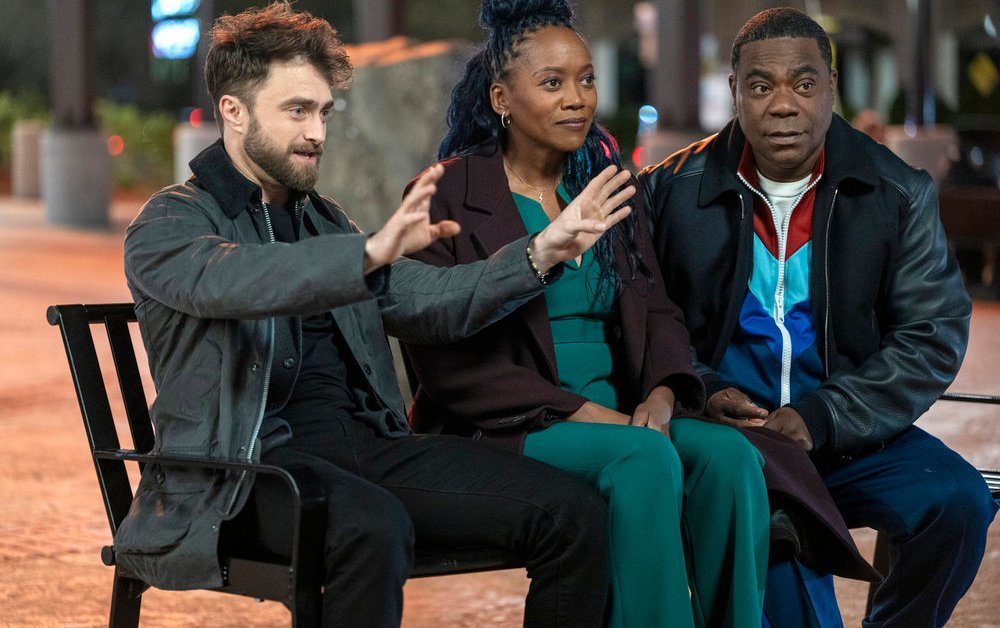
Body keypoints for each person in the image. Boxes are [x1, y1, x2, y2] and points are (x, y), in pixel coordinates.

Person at [115, 3, 643, 626]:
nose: (317, 132)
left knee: (572, 513)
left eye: (323, 112)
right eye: (297, 111)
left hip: (367, 452)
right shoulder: (170, 221)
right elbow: (235, 279)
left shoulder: (325, 220)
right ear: (234, 111)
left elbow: (426, 299)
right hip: (242, 474)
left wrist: (538, 253)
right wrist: (363, 255)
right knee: (374, 525)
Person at [402, 2, 771, 626]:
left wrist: (661, 394)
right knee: (643, 459)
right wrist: (589, 414)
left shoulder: (604, 181)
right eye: (552, 83)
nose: (577, 99)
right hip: (507, 427)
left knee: (729, 460)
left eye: (587, 79)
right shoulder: (446, 194)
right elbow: (444, 361)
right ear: (501, 99)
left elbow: (657, 307)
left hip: (623, 412)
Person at [641, 7, 998, 627]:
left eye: (804, 84)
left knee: (959, 501)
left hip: (847, 434)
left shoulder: (895, 191)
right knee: (791, 578)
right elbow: (645, 318)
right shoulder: (671, 191)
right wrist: (703, 388)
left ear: (831, 86)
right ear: (734, 91)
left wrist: (823, 416)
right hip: (740, 447)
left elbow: (931, 333)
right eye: (761, 86)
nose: (784, 105)